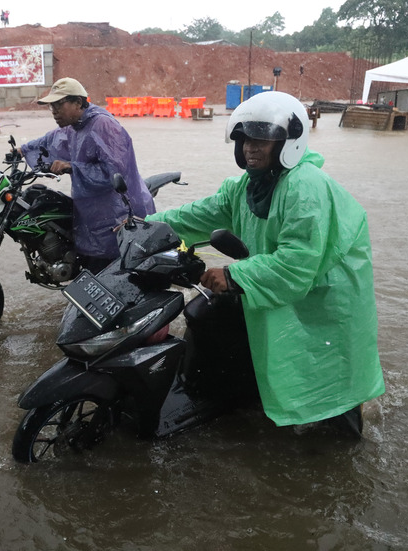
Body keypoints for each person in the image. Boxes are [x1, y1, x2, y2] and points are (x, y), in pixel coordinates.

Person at [145, 91, 385, 437]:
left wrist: (232, 274)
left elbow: (297, 262)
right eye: (244, 139)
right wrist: (148, 224)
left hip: (325, 297)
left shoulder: (306, 187)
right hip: (278, 284)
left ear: (288, 143)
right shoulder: (249, 185)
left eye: (261, 139)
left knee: (330, 379)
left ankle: (343, 456)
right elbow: (201, 213)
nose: (250, 148)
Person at [19, 77, 156, 273]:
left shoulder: (103, 126)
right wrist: (22, 150)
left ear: (78, 102)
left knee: (114, 273)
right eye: (51, 107)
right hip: (93, 212)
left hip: (117, 212)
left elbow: (115, 173)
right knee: (93, 271)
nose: (54, 111)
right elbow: (49, 141)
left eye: (59, 104)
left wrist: (72, 167)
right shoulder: (74, 127)